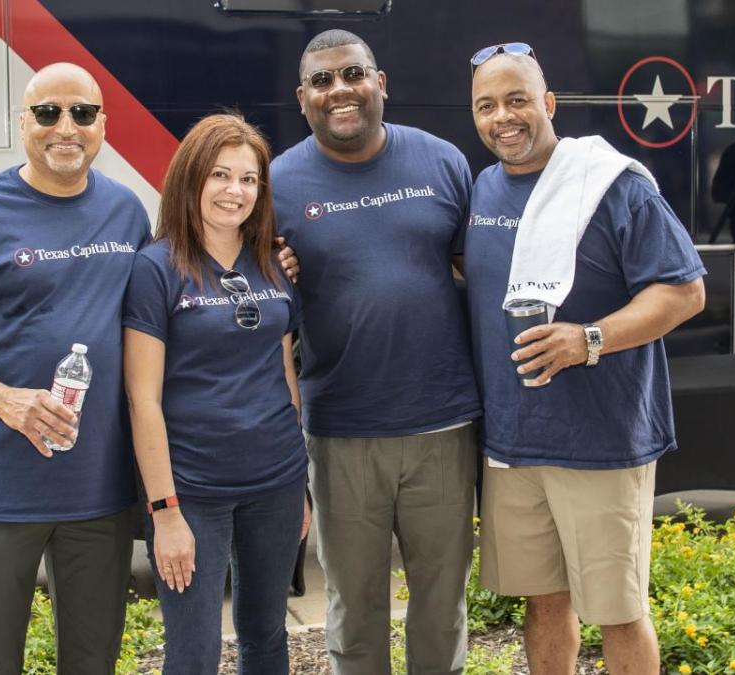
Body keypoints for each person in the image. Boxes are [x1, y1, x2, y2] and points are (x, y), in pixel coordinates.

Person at [0, 64, 299, 674]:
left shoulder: (123, 210)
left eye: (82, 113)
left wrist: (272, 264)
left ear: (102, 124)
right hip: (1, 483)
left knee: (92, 656)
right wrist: (5, 400)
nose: (66, 128)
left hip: (99, 487)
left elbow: (184, 301)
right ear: (22, 122)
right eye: (48, 112)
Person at [463, 45, 705, 675]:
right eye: (487, 106)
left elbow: (684, 292)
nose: (503, 117)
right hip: (514, 444)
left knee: (619, 613)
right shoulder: (485, 187)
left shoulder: (612, 184)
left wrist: (588, 338)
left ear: (549, 104)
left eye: (517, 100)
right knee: (543, 604)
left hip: (600, 440)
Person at [270, 29, 482, 675]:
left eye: (353, 73)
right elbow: (269, 316)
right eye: (323, 81)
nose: (341, 90)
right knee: (354, 607)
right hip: (340, 434)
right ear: (302, 96)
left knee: (441, 602)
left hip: (443, 425)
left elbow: (475, 270)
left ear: (381, 82)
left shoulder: (443, 161)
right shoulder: (278, 183)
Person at [123, 113, 310, 675]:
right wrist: (165, 512)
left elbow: (285, 374)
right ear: (191, 180)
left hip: (275, 483)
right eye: (221, 176)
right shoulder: (155, 269)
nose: (235, 191)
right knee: (193, 652)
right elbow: (143, 399)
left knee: (266, 635)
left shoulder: (272, 264)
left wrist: (299, 484)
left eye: (249, 179)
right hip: (193, 492)